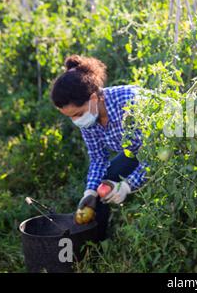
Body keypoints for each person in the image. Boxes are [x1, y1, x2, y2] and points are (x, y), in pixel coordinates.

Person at [51, 55, 147, 240]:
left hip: (168, 146)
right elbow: (98, 158)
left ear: (94, 98)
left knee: (124, 177)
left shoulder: (130, 103)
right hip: (136, 152)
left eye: (78, 114)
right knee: (103, 181)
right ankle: (97, 241)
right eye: (70, 117)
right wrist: (90, 191)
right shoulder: (88, 120)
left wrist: (128, 185)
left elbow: (157, 154)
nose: (76, 121)